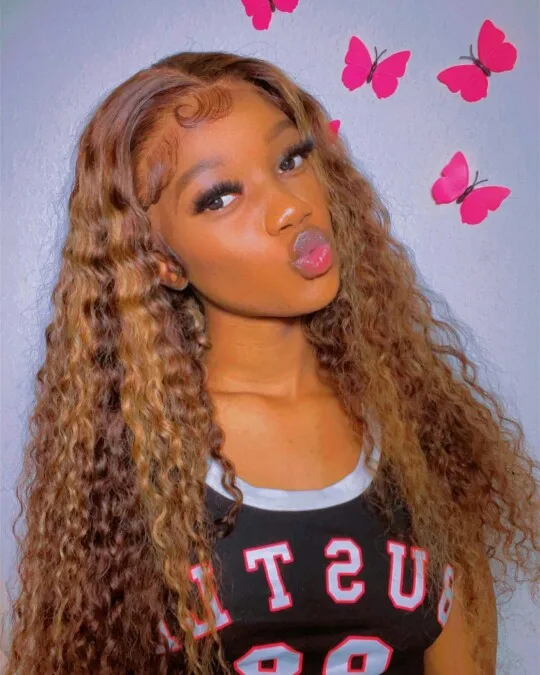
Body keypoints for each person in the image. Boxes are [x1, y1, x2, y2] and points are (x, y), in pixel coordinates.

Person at [5, 50, 539, 675]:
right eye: (220, 196)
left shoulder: (419, 428)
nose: (290, 207)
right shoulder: (128, 464)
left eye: (291, 159)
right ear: (163, 262)